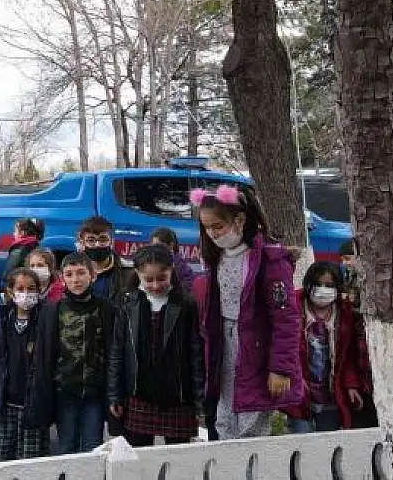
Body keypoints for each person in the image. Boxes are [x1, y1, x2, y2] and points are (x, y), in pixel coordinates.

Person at [190, 185, 303, 440]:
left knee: (251, 425)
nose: (212, 233)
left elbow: (286, 319)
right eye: (207, 228)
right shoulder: (215, 258)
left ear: (239, 220)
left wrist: (281, 368)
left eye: (218, 226)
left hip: (255, 350)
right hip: (223, 348)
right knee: (224, 420)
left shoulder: (270, 261)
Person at [108, 245, 203, 447]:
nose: (155, 284)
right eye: (148, 280)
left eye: (162, 278)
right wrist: (115, 394)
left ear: (172, 271)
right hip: (139, 395)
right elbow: (117, 352)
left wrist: (198, 397)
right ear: (137, 275)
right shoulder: (127, 304)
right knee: (139, 457)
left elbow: (195, 353)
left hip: (178, 396)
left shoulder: (186, 305)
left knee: (179, 458)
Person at [28, 252, 115, 454]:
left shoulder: (106, 308)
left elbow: (113, 351)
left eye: (81, 273)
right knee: (66, 446)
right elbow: (44, 355)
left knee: (92, 446)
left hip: (94, 392)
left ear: (92, 275)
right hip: (64, 391)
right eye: (69, 274)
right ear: (62, 277)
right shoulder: (53, 310)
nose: (76, 279)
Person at [285, 262, 368, 434]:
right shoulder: (292, 308)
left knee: (328, 440)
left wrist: (351, 385)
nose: (323, 289)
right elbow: (283, 349)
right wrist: (293, 377)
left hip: (331, 394)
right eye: (318, 284)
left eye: (329, 285)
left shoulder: (344, 313)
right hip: (300, 392)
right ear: (308, 284)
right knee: (302, 441)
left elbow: (349, 356)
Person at [0, 268, 50, 461]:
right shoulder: (2, 318)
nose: (26, 294)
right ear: (10, 291)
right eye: (20, 288)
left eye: (31, 288)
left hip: (32, 404)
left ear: (39, 291)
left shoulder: (45, 319)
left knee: (31, 461)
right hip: (6, 402)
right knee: (1, 459)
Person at [77, 216, 136, 307]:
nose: (97, 245)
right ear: (82, 243)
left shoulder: (129, 272)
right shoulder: (74, 273)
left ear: (112, 242)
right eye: (91, 240)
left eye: (103, 239)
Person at [151, 227, 197, 295]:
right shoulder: (156, 260)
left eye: (158, 246)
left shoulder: (176, 264)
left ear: (170, 245)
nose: (155, 249)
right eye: (153, 245)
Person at [5, 218, 44, 289]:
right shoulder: (36, 245)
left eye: (15, 231)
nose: (14, 234)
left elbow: (8, 274)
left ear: (22, 233)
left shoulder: (18, 251)